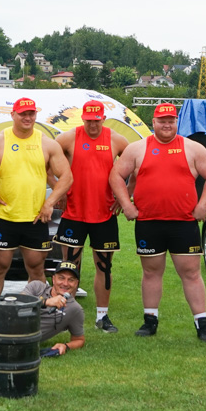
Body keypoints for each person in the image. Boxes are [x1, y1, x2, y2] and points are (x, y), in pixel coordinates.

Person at [110, 102, 206, 340]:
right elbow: (116, 176)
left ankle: (203, 324)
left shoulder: (192, 148)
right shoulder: (137, 149)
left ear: (176, 123)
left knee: (191, 272)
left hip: (183, 222)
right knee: (151, 272)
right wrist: (127, 205)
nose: (167, 125)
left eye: (171, 120)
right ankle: (150, 321)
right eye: (162, 121)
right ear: (154, 123)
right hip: (149, 222)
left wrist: (203, 205)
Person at [0, 97, 73, 294]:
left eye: (31, 113)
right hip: (5, 217)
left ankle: (38, 316)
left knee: (36, 269)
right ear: (13, 114)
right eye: (23, 113)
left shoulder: (47, 144)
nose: (27, 117)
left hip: (36, 218)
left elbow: (66, 177)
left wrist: (49, 203)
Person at [54, 100, 128, 333]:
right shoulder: (67, 138)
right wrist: (59, 190)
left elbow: (137, 166)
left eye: (97, 120)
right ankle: (64, 312)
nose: (92, 124)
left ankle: (102, 317)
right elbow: (46, 162)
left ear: (103, 119)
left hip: (104, 213)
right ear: (83, 118)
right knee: (69, 267)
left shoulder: (116, 139)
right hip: (74, 212)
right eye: (88, 120)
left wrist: (124, 196)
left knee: (104, 266)